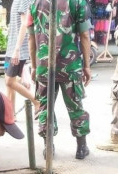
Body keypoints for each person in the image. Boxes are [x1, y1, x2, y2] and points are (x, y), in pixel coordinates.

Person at [28, 0, 92, 159]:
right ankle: (81, 147)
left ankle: (48, 147)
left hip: (44, 65)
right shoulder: (77, 2)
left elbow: (31, 38)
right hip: (70, 67)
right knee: (75, 105)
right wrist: (86, 66)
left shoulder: (35, 3)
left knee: (45, 107)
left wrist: (34, 66)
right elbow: (84, 34)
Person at [4, 0, 39, 115]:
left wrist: (17, 49)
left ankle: (36, 101)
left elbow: (25, 24)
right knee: (8, 81)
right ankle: (11, 114)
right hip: (11, 49)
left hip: (19, 49)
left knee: (10, 81)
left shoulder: (24, 1)